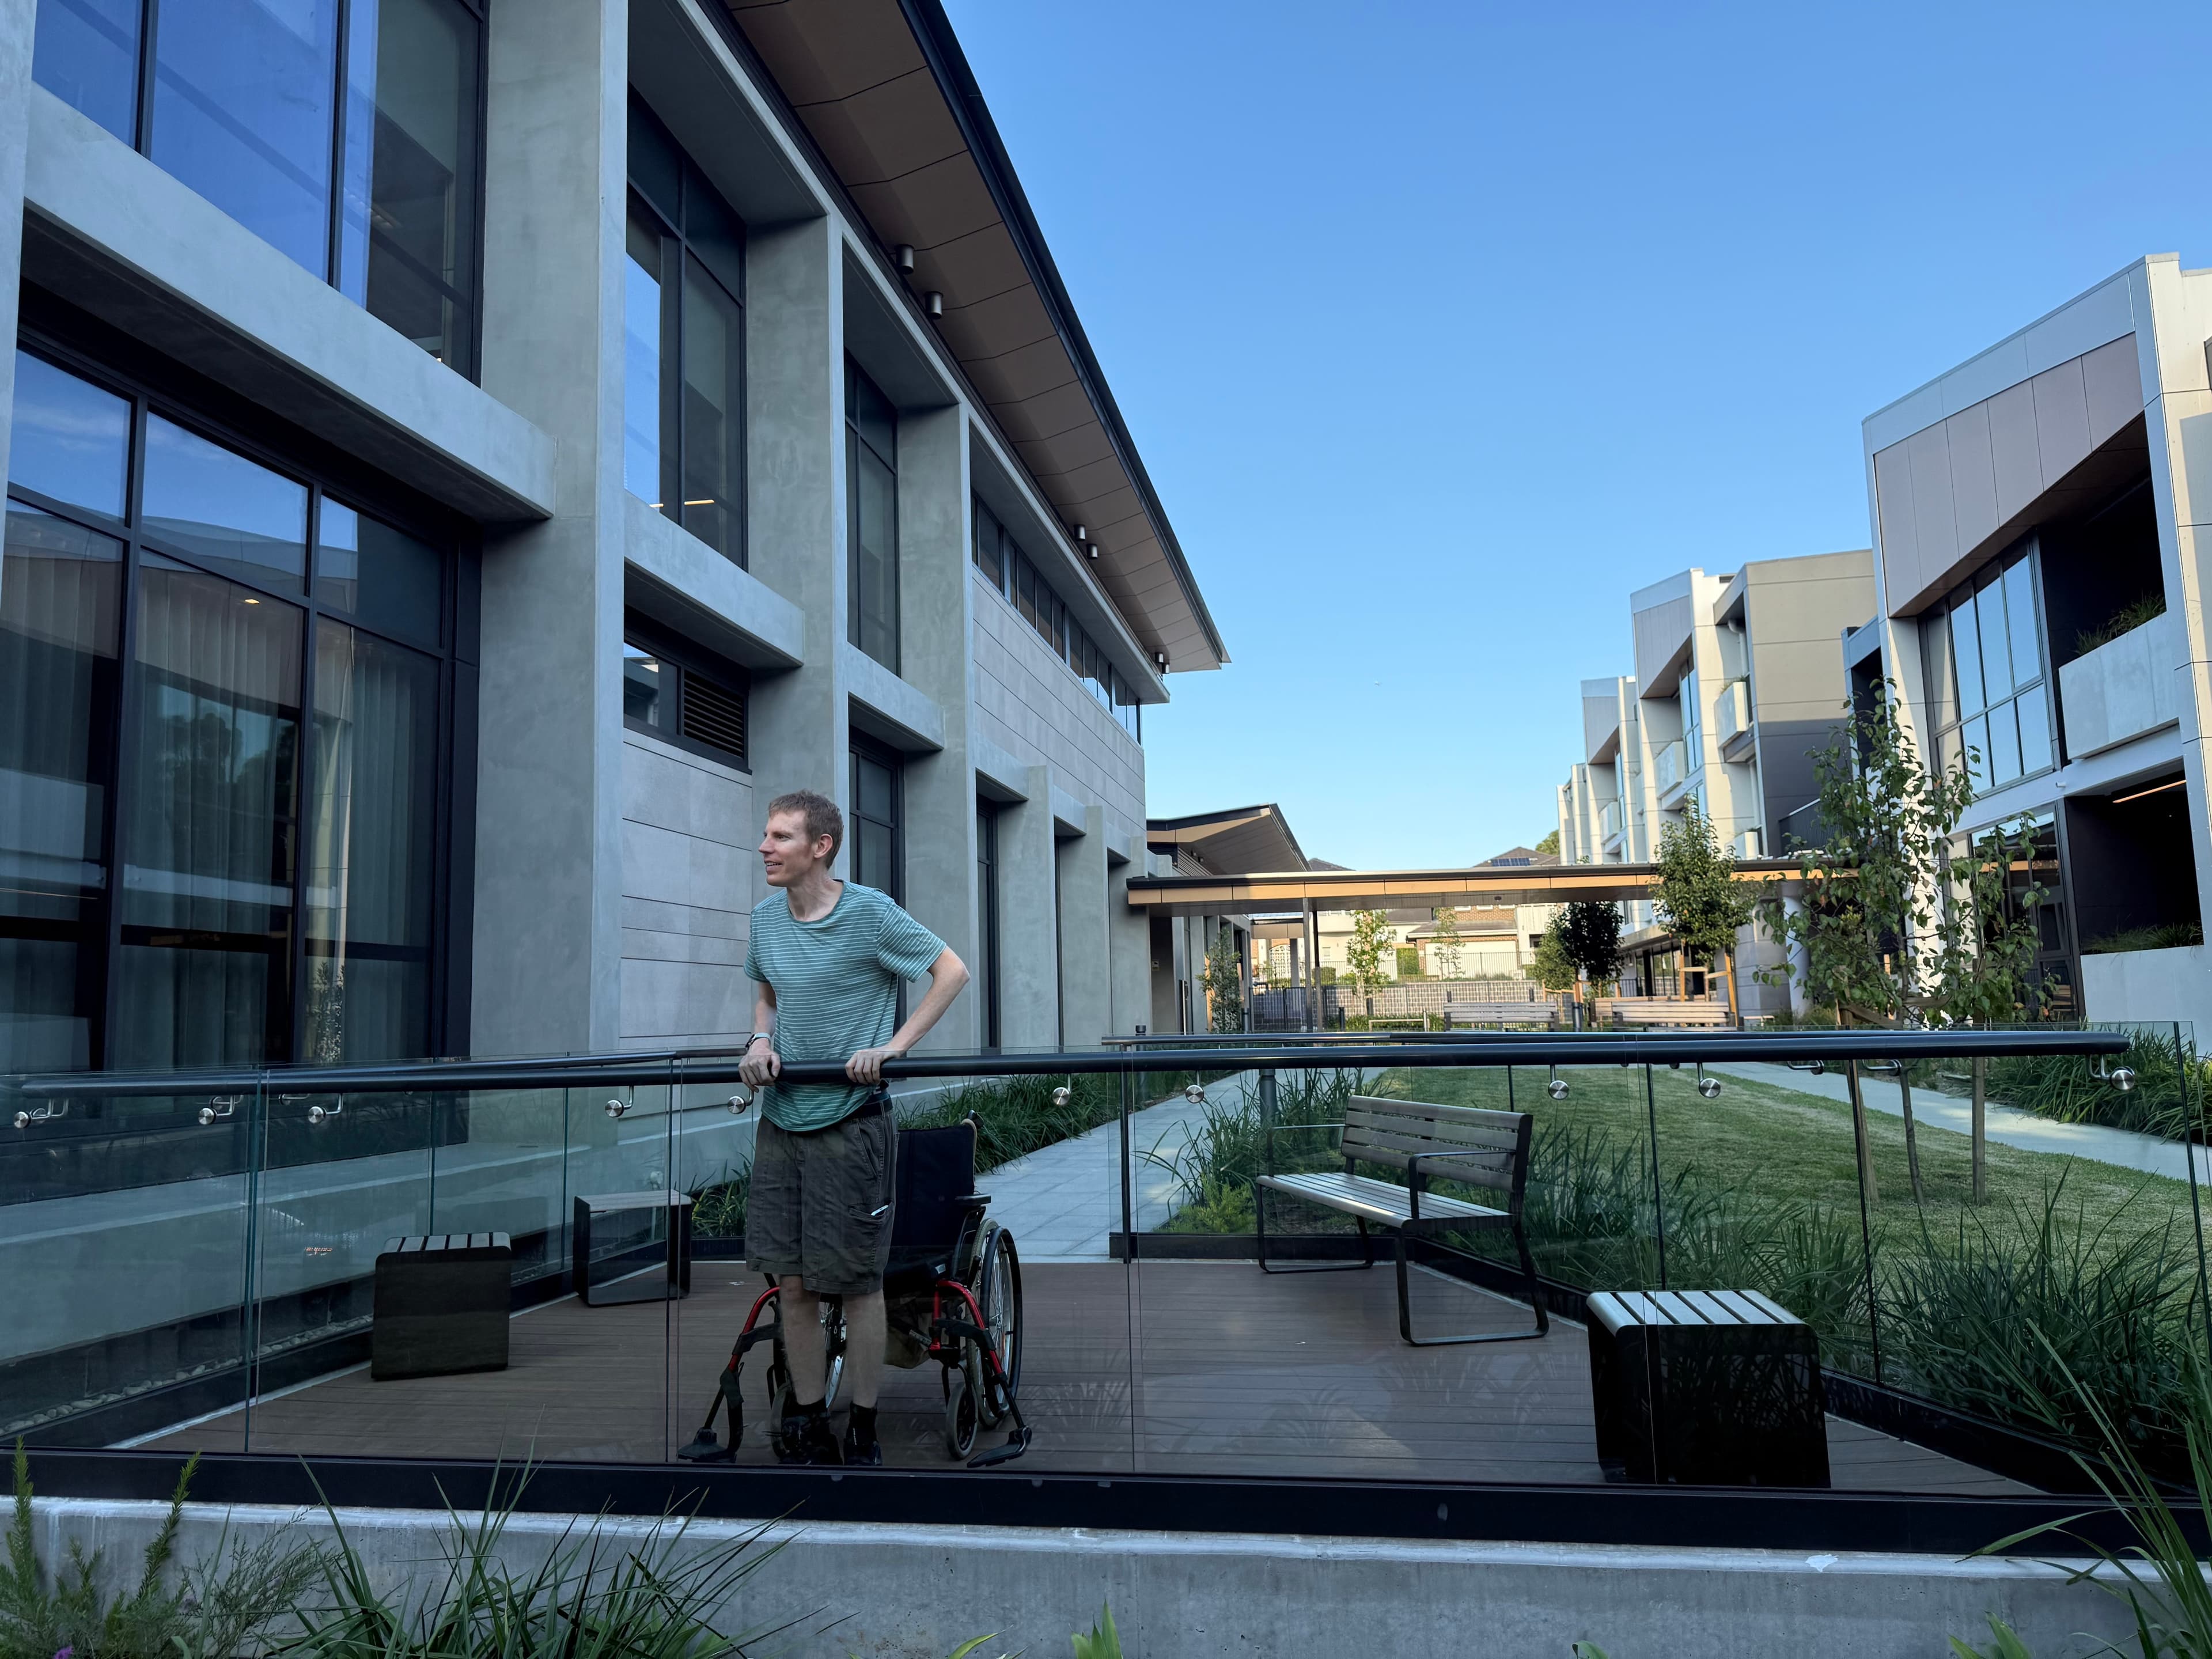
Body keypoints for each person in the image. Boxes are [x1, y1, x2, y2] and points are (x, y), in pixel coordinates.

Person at [737, 787, 969, 1465]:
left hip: (851, 1122)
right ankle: (810, 1417)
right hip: (783, 1120)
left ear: (820, 847)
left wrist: (895, 1048)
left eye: (780, 837)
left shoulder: (870, 914)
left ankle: (864, 1422)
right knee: (795, 1282)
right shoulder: (763, 920)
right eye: (766, 835)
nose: (765, 848)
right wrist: (758, 1042)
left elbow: (950, 972)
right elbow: (765, 995)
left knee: (859, 1282)